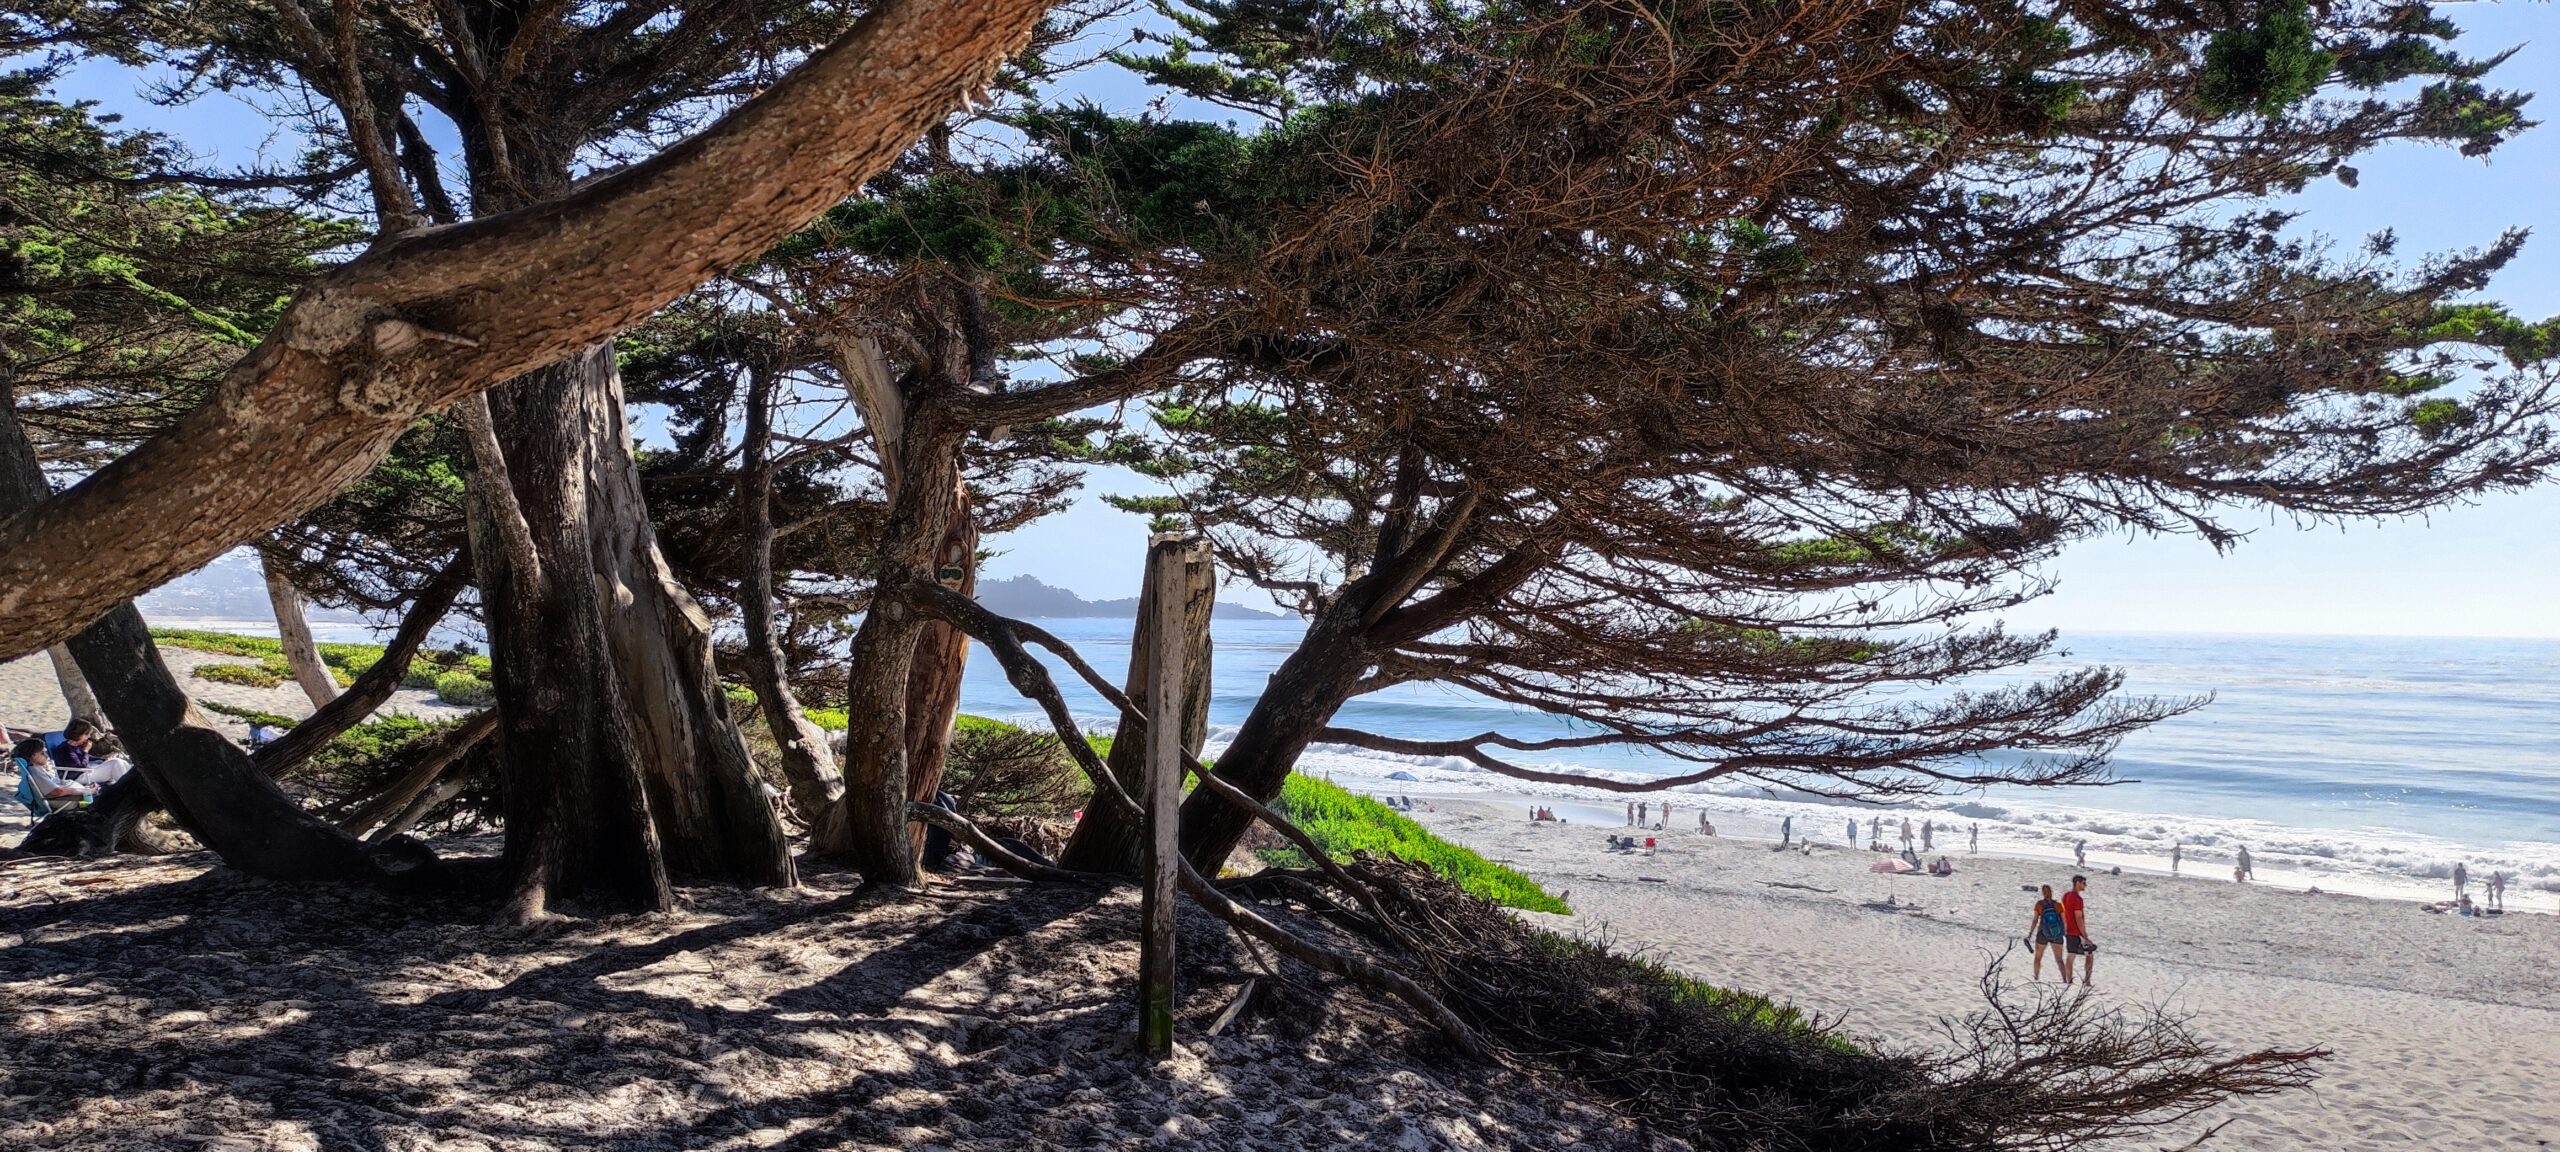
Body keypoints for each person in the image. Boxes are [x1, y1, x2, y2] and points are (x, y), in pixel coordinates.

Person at [11, 737, 90, 812]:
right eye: (42, 753)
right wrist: (85, 791)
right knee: (96, 799)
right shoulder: (35, 772)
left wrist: (85, 789)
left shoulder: (36, 769)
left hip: (66, 797)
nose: (46, 755)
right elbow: (58, 792)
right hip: (66, 802)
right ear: (33, 756)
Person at [2027, 884, 2070, 983]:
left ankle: (2036, 977)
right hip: (2057, 934)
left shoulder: (2039, 905)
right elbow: (2064, 921)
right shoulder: (2058, 905)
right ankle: (2064, 980)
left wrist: (2030, 933)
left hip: (2043, 933)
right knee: (2059, 959)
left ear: (2043, 893)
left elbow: (2035, 920)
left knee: (2038, 957)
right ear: (2051, 892)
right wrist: (2065, 932)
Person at [2062, 874, 2098, 986]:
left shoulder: (2066, 896)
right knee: (2089, 955)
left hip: (2068, 931)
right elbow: (2078, 917)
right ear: (2078, 883)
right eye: (2083, 883)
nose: (2085, 886)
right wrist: (2084, 935)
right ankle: (2087, 981)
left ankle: (2068, 980)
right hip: (2077, 932)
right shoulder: (2077, 899)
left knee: (2070, 955)